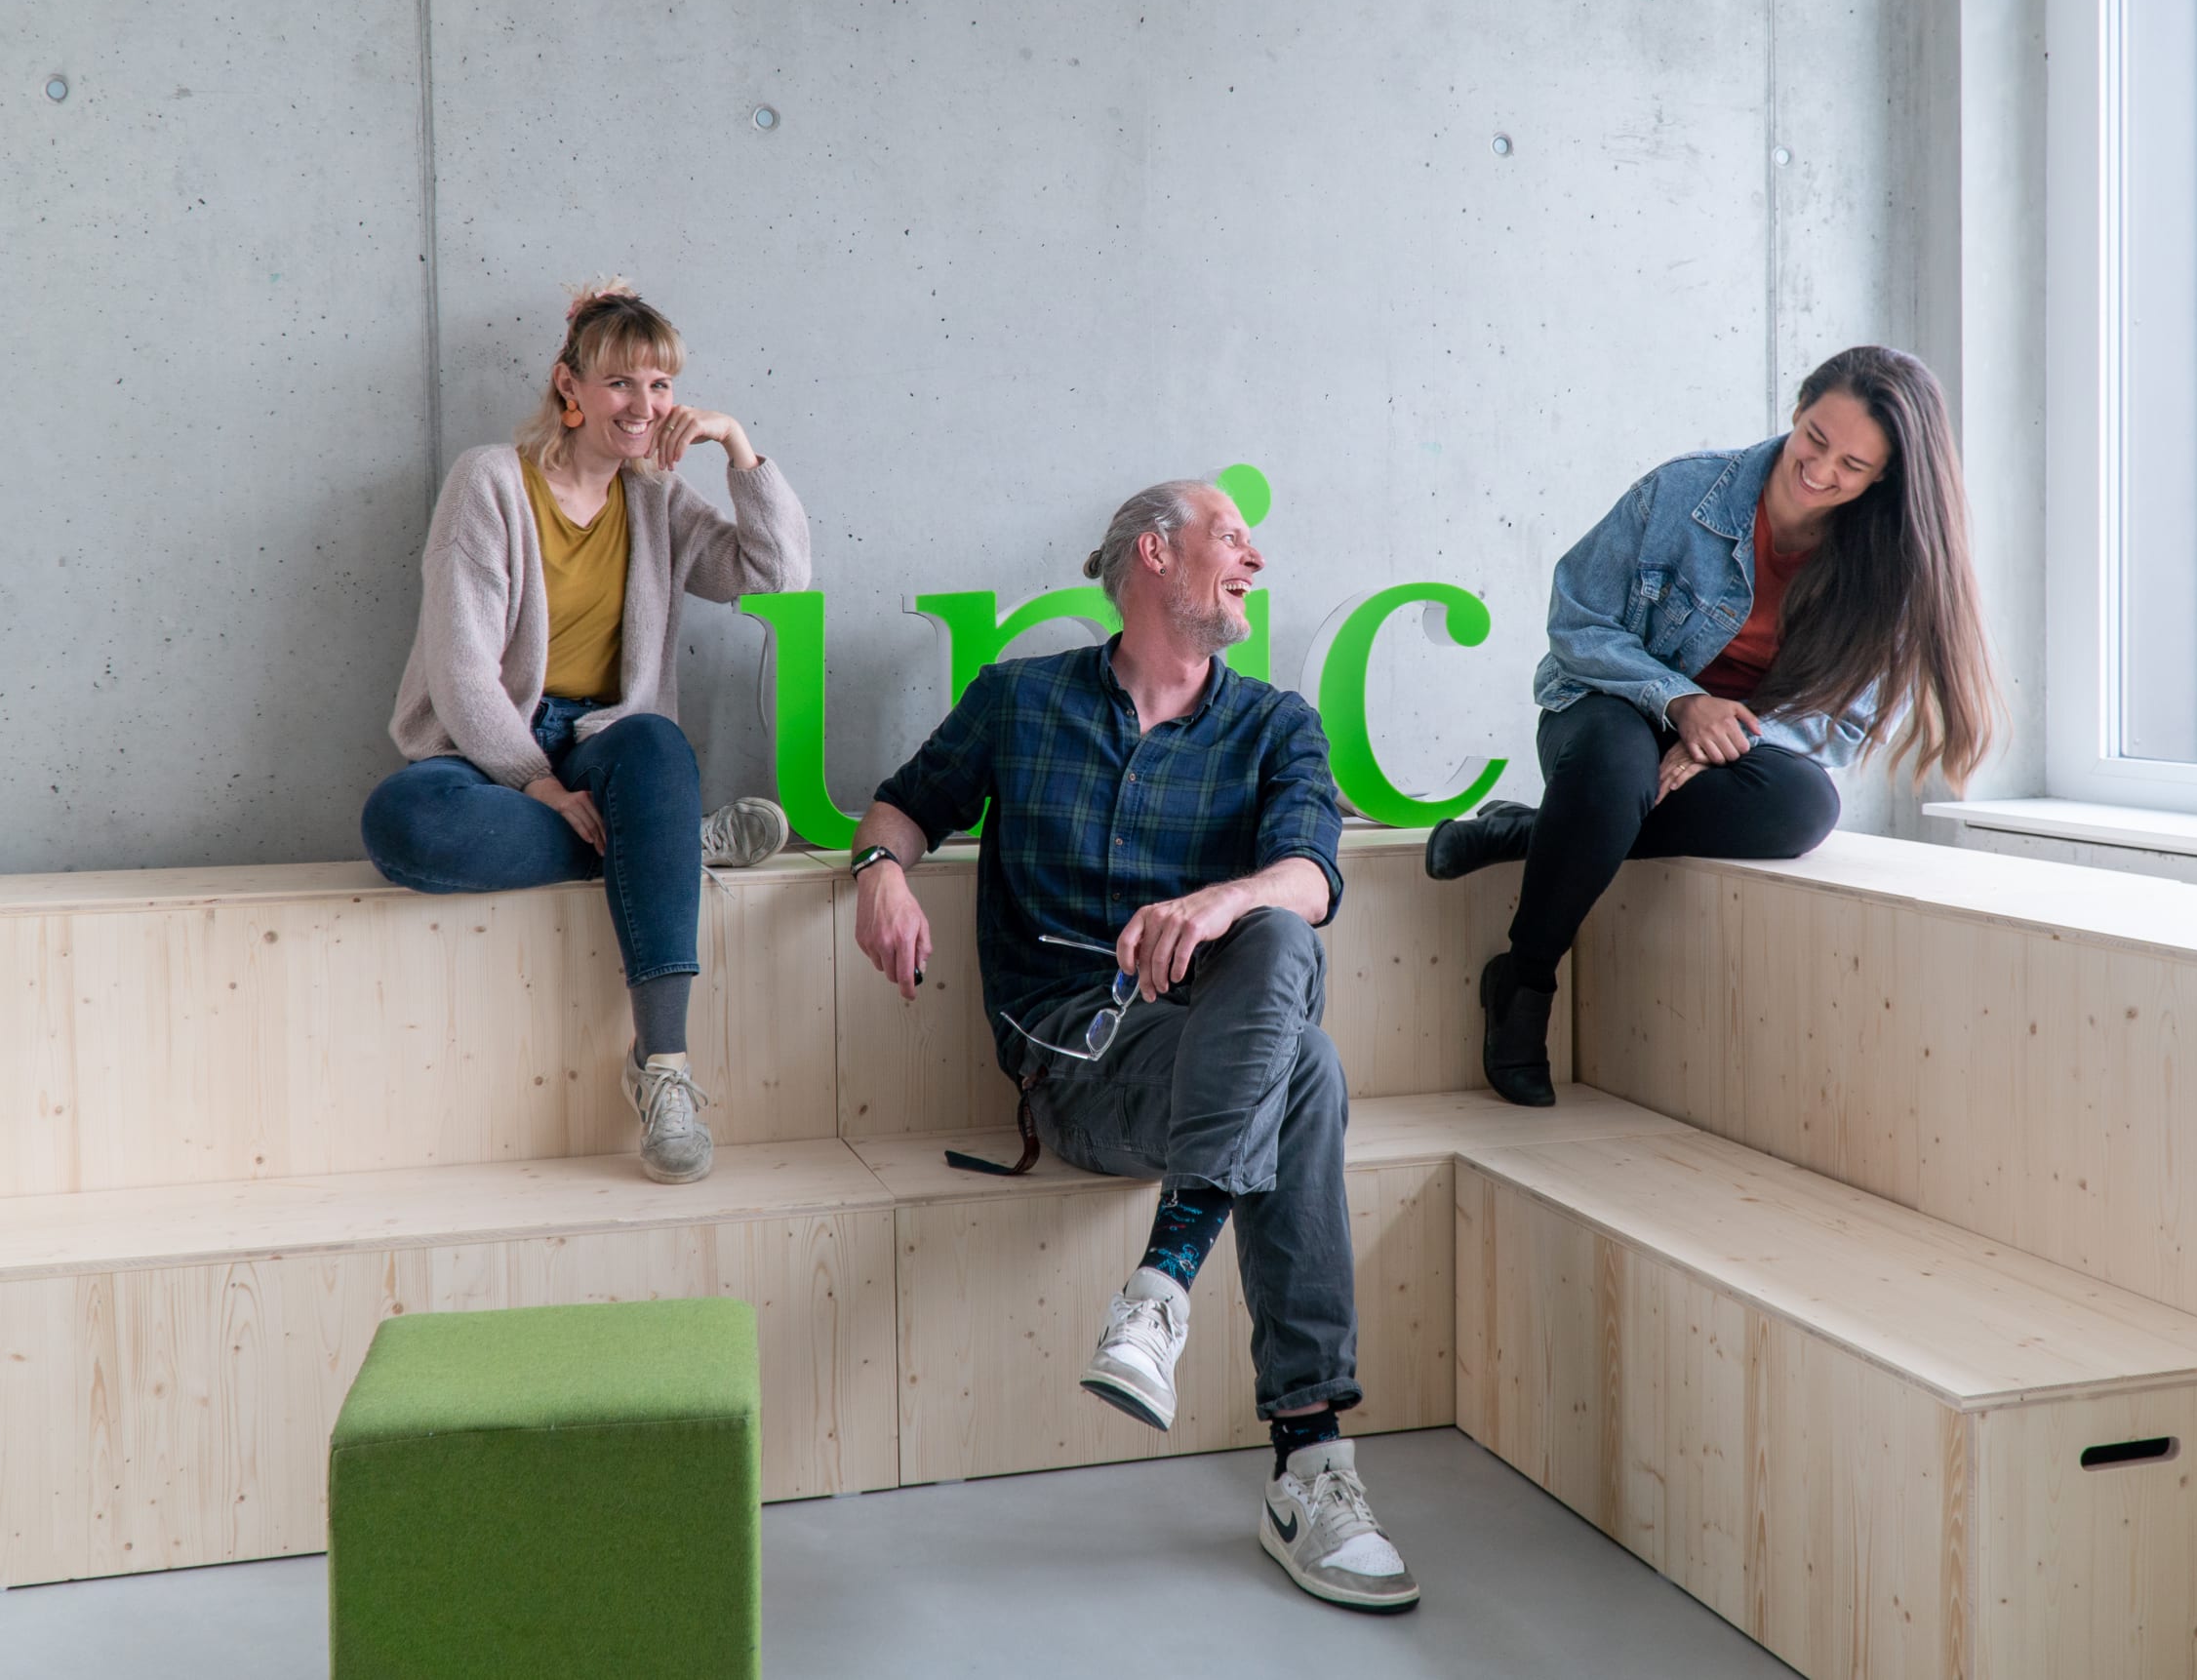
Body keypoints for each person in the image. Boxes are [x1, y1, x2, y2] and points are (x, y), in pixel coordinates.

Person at [848, 479, 1421, 1613]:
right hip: (1075, 1064)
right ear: (1153, 555)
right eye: (1232, 538)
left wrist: (1215, 905)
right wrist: (880, 875)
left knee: (1275, 946)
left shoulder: (1275, 726)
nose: (1254, 561)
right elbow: (902, 806)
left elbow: (1312, 874)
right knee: (1304, 1069)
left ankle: (1162, 1288)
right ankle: (1308, 1462)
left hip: (1211, 1035)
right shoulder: (1019, 702)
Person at [1430, 344, 2000, 1105]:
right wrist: (1680, 702)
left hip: (1734, 753)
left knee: (1805, 808)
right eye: (1816, 440)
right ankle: (1524, 979)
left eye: (1853, 466)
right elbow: (1578, 618)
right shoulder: (1685, 492)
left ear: (1886, 476)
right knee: (1613, 764)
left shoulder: (1889, 567)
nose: (1822, 471)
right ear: (1798, 410)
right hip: (1611, 710)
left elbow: (1846, 724)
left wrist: (1728, 741)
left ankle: (1526, 833)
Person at [361, 280, 811, 1183]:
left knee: (655, 744)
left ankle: (665, 1068)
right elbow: (460, 673)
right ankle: (673, 842)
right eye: (619, 384)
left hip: (610, 743)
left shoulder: (659, 498)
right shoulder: (490, 481)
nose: (643, 408)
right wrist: (536, 780)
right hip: (492, 746)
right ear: (569, 387)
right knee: (403, 823)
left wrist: (738, 448)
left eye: (660, 387)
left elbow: (778, 580)